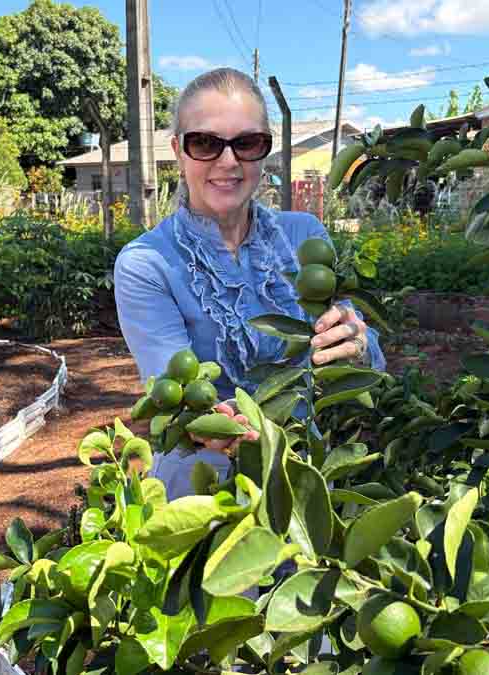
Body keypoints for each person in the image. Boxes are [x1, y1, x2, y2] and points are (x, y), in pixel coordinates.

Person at [113, 67, 386, 499]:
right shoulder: (146, 263)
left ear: (265, 152)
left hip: (303, 478)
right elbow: (174, 388)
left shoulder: (306, 236)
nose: (228, 161)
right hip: (203, 494)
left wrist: (358, 340)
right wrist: (210, 421)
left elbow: (366, 361)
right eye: (204, 143)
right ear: (177, 151)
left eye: (247, 143)